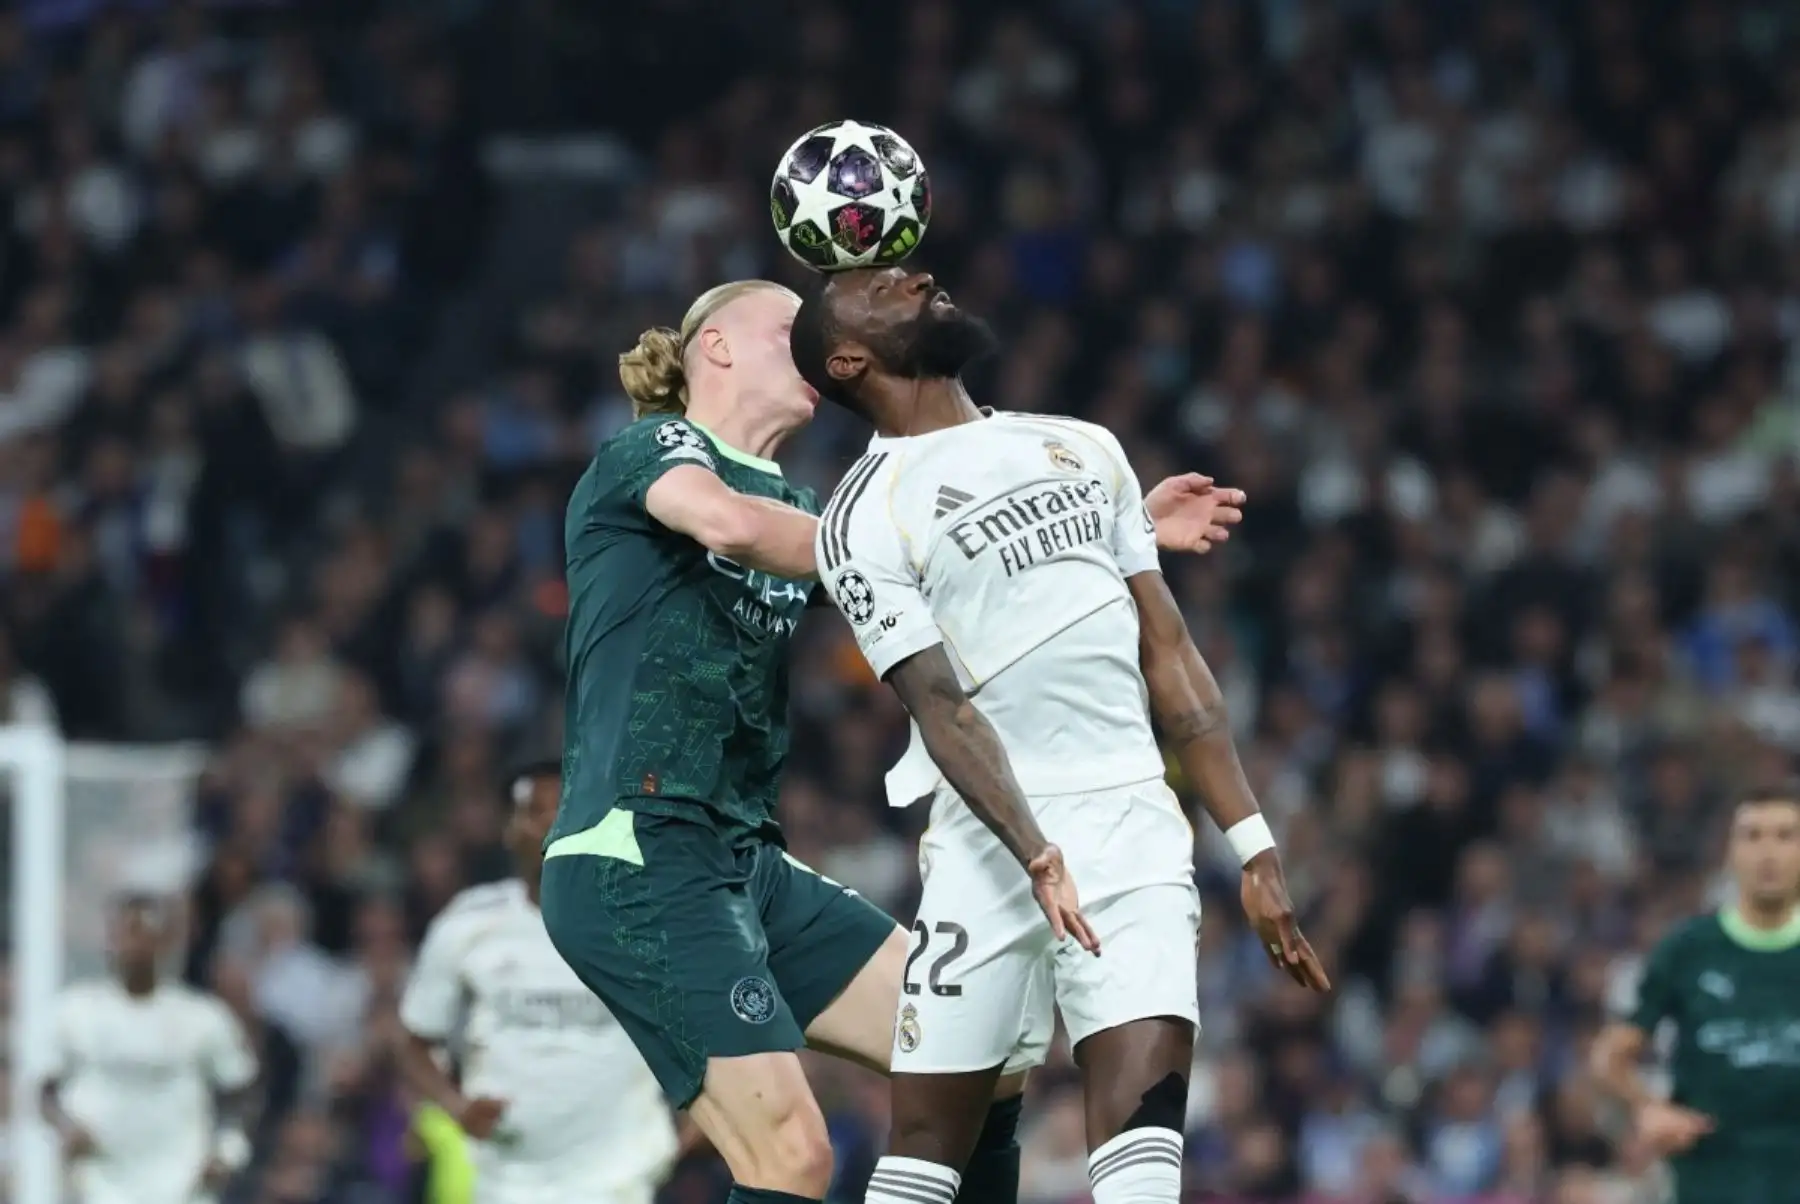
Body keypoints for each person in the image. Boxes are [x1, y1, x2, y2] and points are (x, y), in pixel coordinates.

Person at [538, 278, 1245, 1204]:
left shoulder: (803, 502)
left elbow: (955, 587)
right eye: (787, 329)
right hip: (636, 854)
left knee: (980, 1053)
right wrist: (883, 536)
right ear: (713, 347)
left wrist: (1112, 523)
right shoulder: (655, 452)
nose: (807, 349)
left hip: (744, 865)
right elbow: (728, 526)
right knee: (792, 1154)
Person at [789, 264, 1332, 1204]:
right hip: (989, 849)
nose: (920, 273)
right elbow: (939, 705)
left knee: (1143, 1162)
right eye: (884, 289)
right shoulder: (859, 517)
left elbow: (1173, 660)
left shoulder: (1082, 446)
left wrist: (1252, 845)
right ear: (849, 358)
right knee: (923, 1160)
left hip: (1132, 829)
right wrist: (1037, 853)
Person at [399, 760, 687, 1204]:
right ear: (510, 830)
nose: (553, 826)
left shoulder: (649, 925)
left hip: (619, 1177)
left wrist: (678, 1145)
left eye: (569, 811)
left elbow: (723, 1044)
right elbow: (415, 1040)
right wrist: (456, 1107)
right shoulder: (469, 923)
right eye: (535, 812)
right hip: (502, 1178)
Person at [1592, 790, 1800, 1204]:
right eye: (1752, 836)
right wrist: (1648, 1108)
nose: (1768, 852)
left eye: (1785, 835)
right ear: (1730, 852)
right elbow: (1610, 1057)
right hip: (1711, 1179)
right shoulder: (1687, 949)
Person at [40, 895, 259, 1204]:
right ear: (110, 940)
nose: (136, 946)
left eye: (145, 934)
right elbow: (45, 1089)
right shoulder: (75, 1011)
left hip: (181, 1178)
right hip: (100, 1177)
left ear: (165, 943)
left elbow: (241, 1090)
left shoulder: (203, 1018)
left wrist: (229, 1150)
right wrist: (66, 1128)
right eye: (127, 933)